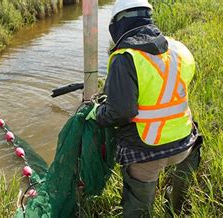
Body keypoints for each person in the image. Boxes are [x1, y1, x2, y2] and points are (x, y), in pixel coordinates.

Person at [86, 0, 202, 217]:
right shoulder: (178, 49)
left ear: (118, 23)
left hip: (146, 151)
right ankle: (173, 207)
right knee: (176, 205)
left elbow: (120, 112)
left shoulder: (125, 58)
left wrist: (98, 113)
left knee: (138, 208)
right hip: (184, 143)